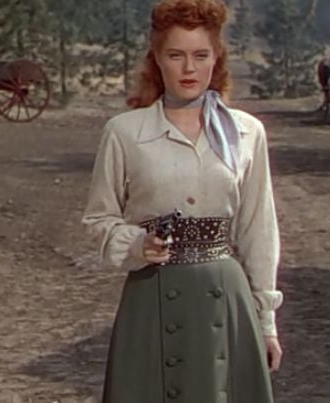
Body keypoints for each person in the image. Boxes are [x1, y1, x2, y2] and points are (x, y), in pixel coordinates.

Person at [82, 1, 283, 402]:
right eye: (176, 55)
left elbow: (259, 230)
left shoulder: (245, 133)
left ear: (216, 59)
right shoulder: (125, 132)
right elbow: (98, 219)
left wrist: (266, 323)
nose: (188, 69)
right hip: (151, 300)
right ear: (157, 59)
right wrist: (139, 244)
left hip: (225, 302)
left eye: (200, 56)